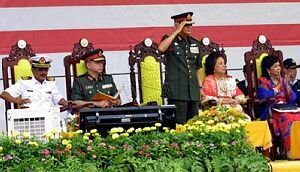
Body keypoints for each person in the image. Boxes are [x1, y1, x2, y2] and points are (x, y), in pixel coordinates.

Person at [158, 12, 202, 124]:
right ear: (177, 24)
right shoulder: (169, 39)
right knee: (178, 124)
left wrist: (200, 88)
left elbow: (197, 68)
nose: (189, 27)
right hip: (175, 90)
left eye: (190, 25)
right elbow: (161, 49)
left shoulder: (194, 43)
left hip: (192, 90)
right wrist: (176, 32)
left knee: (194, 124)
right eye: (185, 25)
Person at [257, 55, 300, 155]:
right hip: (271, 110)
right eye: (275, 66)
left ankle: (298, 149)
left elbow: (293, 99)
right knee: (287, 118)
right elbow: (264, 96)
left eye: (279, 66)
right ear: (268, 70)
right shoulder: (263, 81)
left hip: (286, 108)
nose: (279, 68)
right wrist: (279, 85)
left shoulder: (284, 80)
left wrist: (286, 85)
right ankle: (291, 152)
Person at [1, 55, 69, 108]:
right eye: (40, 70)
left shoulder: (51, 83)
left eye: (46, 70)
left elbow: (58, 98)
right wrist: (19, 101)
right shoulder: (24, 82)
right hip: (29, 119)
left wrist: (65, 102)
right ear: (33, 70)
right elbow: (4, 95)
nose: (44, 73)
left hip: (47, 117)